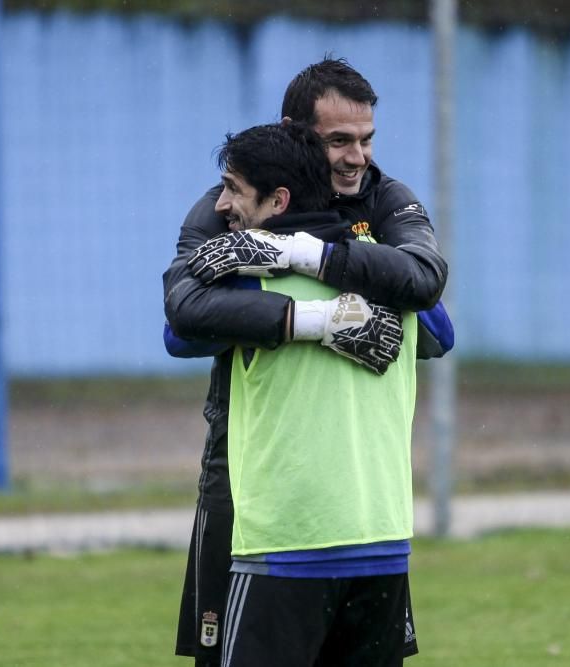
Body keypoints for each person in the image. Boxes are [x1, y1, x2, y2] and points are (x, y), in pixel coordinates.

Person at [162, 57, 450, 666]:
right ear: (297, 133)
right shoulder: (230, 204)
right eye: (338, 140)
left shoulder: (385, 201)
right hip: (243, 476)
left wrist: (310, 256)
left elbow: (432, 307)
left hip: (323, 517)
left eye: (366, 139)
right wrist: (315, 320)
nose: (357, 157)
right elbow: (183, 318)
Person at [209, 120, 421, 666]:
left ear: (278, 200)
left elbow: (177, 330)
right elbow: (441, 330)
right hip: (382, 537)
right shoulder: (394, 278)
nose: (220, 206)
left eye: (232, 189)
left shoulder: (244, 280)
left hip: (285, 543)